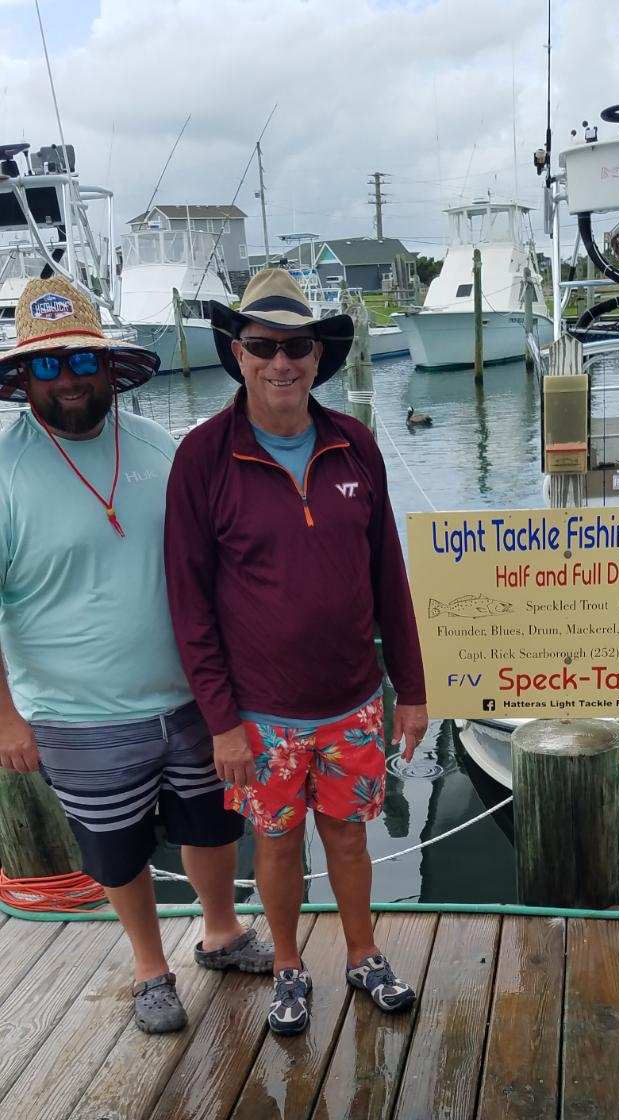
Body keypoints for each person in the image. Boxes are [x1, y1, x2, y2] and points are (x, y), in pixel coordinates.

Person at [0, 277, 271, 1033]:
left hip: (193, 701)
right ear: (22, 379)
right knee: (114, 851)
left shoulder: (161, 446)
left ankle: (220, 933)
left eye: (81, 360)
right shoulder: (4, 473)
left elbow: (217, 564)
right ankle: (151, 968)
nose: (70, 379)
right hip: (75, 715)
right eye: (47, 367)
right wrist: (6, 720)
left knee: (213, 826)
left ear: (107, 365)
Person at [165, 269, 428, 1037]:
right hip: (259, 713)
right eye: (263, 345)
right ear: (237, 353)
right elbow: (189, 605)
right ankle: (286, 963)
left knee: (349, 835)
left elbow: (390, 576)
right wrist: (221, 723)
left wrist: (409, 690)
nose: (282, 362)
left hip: (353, 701)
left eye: (298, 347)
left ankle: (363, 953)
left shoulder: (357, 445)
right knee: (275, 843)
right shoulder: (203, 459)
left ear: (320, 356)